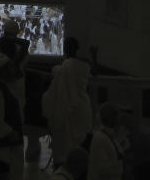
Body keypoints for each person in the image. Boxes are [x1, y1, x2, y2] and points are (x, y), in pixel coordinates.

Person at [43, 36, 93, 168]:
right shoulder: (83, 65)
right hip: (80, 108)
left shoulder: (66, 67)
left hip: (66, 109)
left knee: (66, 144)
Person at [87, 103, 123, 180]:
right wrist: (120, 166)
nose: (118, 119)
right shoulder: (100, 138)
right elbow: (103, 169)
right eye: (115, 115)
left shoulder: (110, 136)